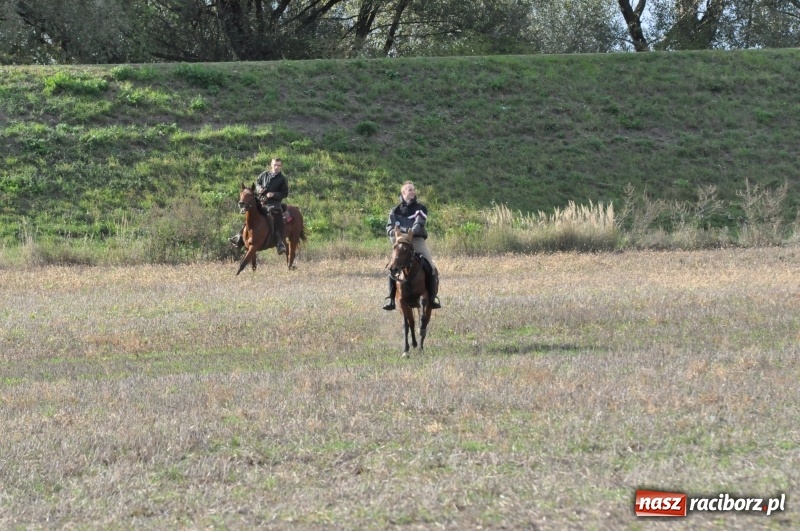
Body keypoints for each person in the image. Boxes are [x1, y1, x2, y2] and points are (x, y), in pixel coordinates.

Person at [383, 181, 441, 310]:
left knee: (430, 266)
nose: (413, 191)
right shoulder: (394, 211)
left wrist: (408, 234)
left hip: (416, 240)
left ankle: (432, 298)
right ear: (403, 193)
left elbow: (419, 224)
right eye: (409, 190)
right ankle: (391, 299)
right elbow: (389, 228)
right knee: (392, 267)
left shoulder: (421, 208)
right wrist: (397, 235)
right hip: (400, 242)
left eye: (413, 189)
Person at [229, 158, 288, 255]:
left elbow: (285, 193)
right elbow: (257, 182)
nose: (276, 167)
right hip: (261, 201)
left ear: (281, 166)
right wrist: (259, 188)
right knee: (251, 215)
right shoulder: (264, 174)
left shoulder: (282, 179)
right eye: (275, 165)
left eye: (278, 165)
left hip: (274, 203)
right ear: (271, 165)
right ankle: (239, 237)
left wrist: (274, 194)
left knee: (276, 220)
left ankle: (279, 243)